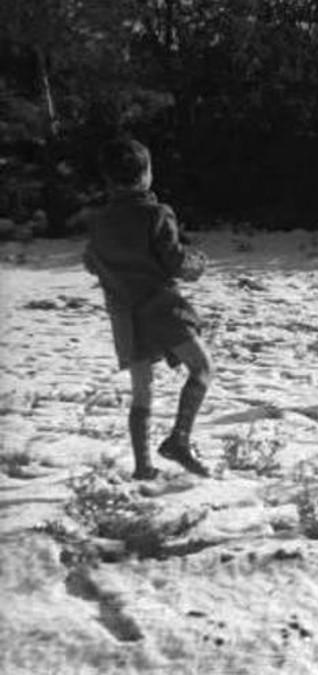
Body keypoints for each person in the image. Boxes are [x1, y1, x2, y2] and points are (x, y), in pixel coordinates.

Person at [82, 137, 212, 479]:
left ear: (108, 180)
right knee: (201, 367)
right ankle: (179, 440)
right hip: (160, 307)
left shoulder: (98, 221)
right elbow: (173, 261)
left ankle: (143, 467)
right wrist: (196, 263)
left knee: (142, 390)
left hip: (123, 315)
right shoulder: (156, 214)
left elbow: (90, 262)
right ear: (145, 176)